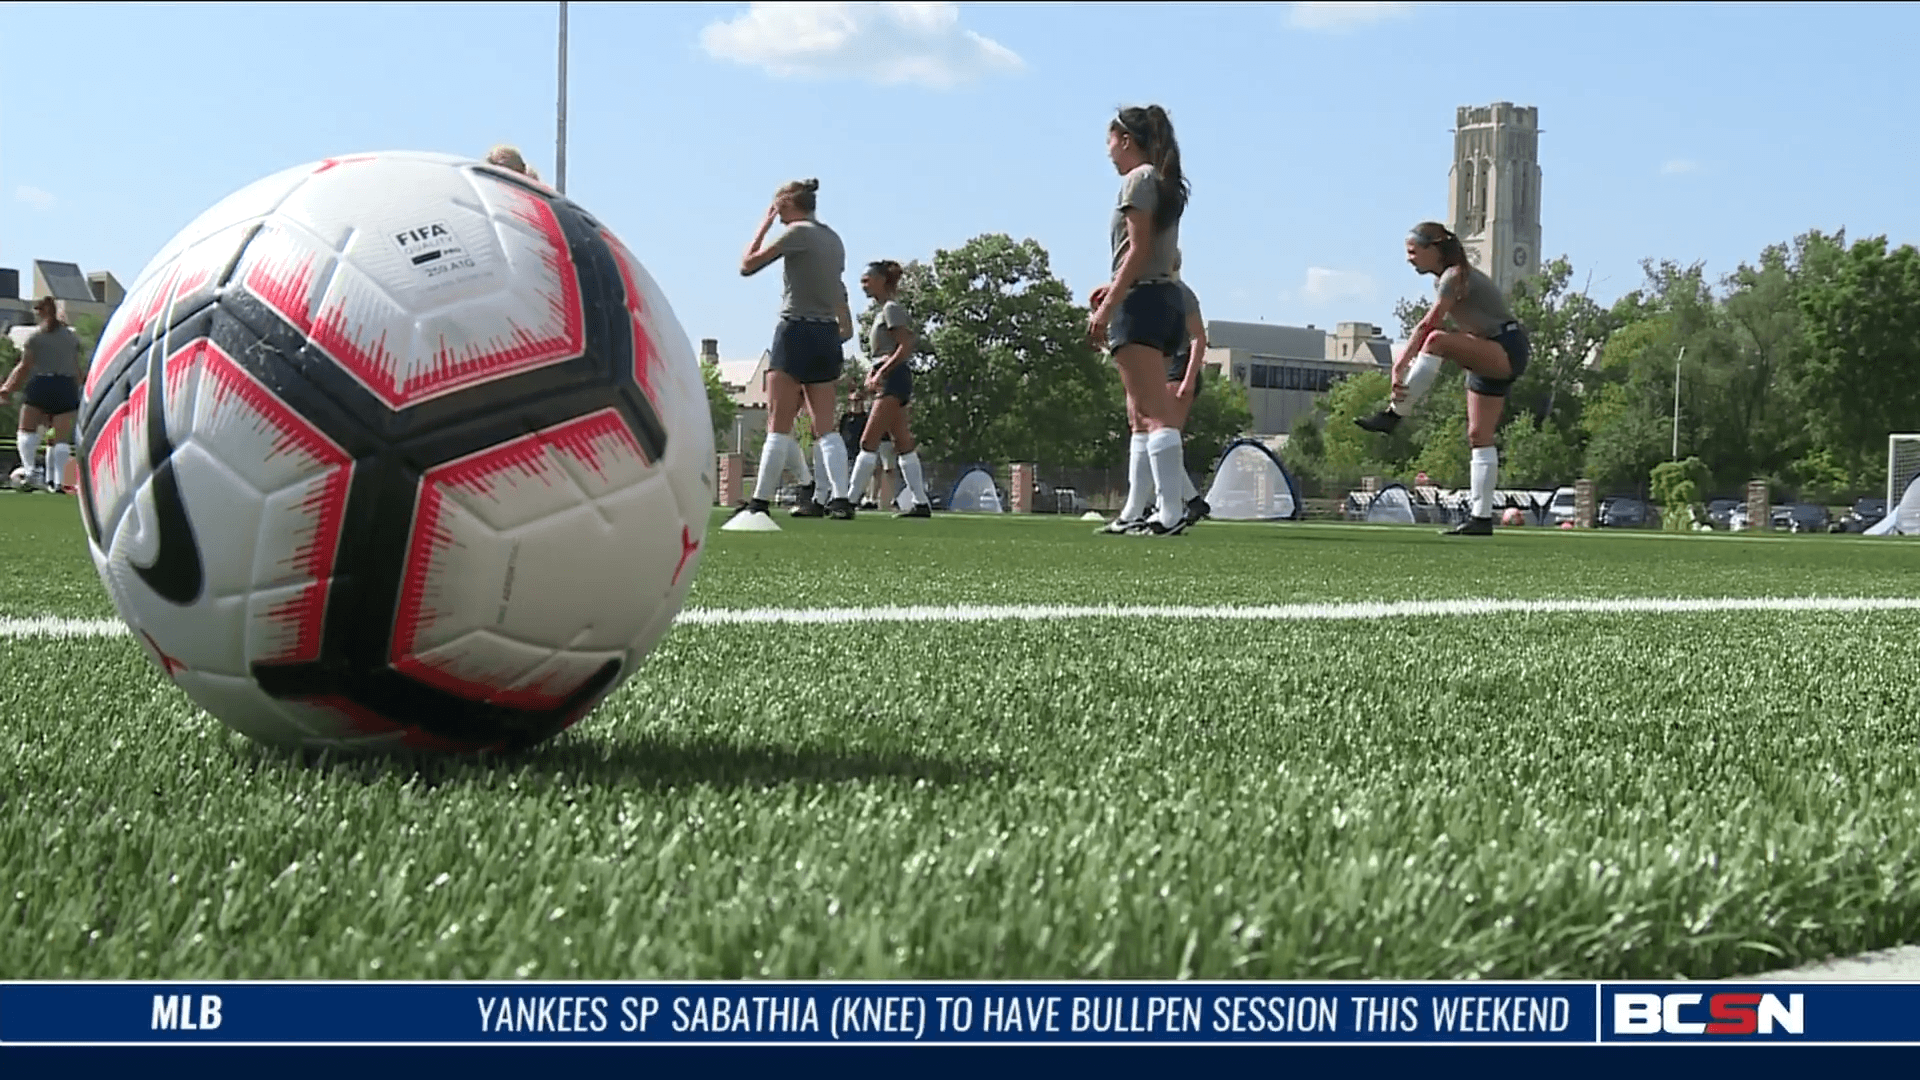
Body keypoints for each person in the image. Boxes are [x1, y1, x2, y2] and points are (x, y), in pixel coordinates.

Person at [1354, 221, 1532, 536]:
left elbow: (1427, 325)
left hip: (1506, 346)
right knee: (1479, 436)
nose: (1409, 259)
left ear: (1434, 248)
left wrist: (1399, 366)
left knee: (1436, 339)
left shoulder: (1454, 276)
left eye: (1413, 252)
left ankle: (1395, 415)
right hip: (1485, 352)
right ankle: (1481, 519)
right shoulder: (1448, 277)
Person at [1086, 105, 1194, 537]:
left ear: (1126, 140)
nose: (1108, 152)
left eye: (1111, 141)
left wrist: (1109, 304)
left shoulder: (1139, 179)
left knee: (1154, 415)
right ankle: (1135, 510)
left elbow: (1137, 247)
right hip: (1161, 298)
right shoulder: (1159, 180)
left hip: (1142, 301)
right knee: (1139, 415)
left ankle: (1171, 511)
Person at [730, 179, 858, 525]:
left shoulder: (797, 233)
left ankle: (759, 500)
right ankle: (841, 500)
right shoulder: (834, 238)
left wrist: (764, 224)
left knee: (778, 423)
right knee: (825, 426)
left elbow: (748, 264)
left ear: (787, 204)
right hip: (825, 333)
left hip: (796, 329)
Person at [1092, 250, 1209, 531]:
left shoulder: (1179, 292)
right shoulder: (1147, 291)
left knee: (1160, 427)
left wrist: (1189, 379)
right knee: (1140, 423)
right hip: (1162, 362)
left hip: (1177, 368)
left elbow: (1198, 338)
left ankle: (1172, 507)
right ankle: (1142, 508)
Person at [845, 260, 933, 517]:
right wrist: (872, 373)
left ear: (882, 280)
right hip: (889, 378)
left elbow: (904, 347)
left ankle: (848, 501)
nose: (863, 285)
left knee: (867, 440)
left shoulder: (892, 309)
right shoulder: (882, 311)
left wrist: (881, 373)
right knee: (903, 444)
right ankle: (921, 503)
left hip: (893, 380)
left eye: (867, 280)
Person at [2, 297, 84, 494]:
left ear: (41, 311)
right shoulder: (71, 337)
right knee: (58, 438)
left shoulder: (35, 338)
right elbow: (76, 367)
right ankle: (55, 482)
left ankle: (30, 472)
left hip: (41, 385)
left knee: (26, 429)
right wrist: (83, 388)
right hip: (65, 386)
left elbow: (24, 366)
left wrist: (6, 389)